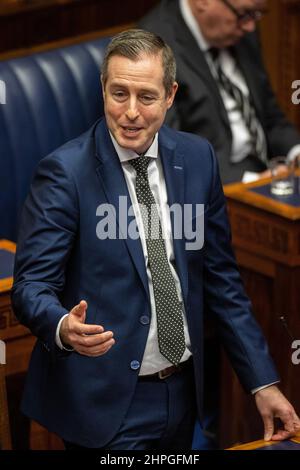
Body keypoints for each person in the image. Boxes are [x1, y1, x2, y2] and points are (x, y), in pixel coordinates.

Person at [12, 29, 300, 450]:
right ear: (103, 90)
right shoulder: (65, 174)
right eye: (118, 94)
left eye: (146, 97)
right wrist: (61, 325)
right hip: (107, 403)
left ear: (170, 95)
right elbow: (30, 287)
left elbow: (221, 282)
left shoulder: (198, 159)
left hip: (184, 392)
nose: (130, 112)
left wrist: (263, 383)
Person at [139, 0, 300, 184]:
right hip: (215, 185)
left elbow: (270, 116)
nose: (250, 26)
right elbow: (168, 154)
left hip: (269, 168)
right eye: (244, 14)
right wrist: (252, 182)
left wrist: (296, 151)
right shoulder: (152, 49)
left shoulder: (241, 29)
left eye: (256, 15)